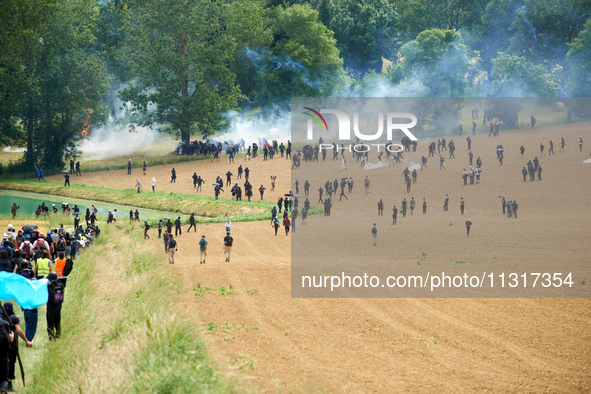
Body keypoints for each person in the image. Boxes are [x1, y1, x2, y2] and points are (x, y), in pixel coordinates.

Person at [46, 273, 64, 340]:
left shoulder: (49, 286)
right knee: (57, 322)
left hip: (50, 307)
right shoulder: (61, 285)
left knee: (50, 323)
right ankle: (58, 335)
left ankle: (51, 337)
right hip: (58, 307)